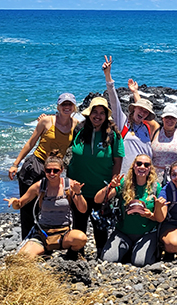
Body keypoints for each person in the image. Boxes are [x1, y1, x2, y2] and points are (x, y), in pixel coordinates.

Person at [8, 93, 80, 239]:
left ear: (74, 107)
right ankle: (27, 242)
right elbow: (30, 143)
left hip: (54, 171)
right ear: (58, 106)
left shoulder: (76, 125)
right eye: (63, 104)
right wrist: (15, 164)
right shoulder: (47, 121)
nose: (67, 107)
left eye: (70, 104)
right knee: (28, 208)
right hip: (35, 166)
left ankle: (46, 240)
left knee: (47, 207)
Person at [67, 96, 124, 255]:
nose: (97, 116)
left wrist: (112, 184)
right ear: (88, 113)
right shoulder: (78, 130)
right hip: (79, 188)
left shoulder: (113, 135)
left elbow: (118, 160)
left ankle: (101, 252)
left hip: (101, 188)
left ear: (106, 116)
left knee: (100, 225)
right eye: (95, 112)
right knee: (79, 222)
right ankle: (78, 252)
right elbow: (61, 130)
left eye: (102, 113)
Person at [6, 150, 87, 258]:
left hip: (63, 234)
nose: (52, 173)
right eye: (48, 170)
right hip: (43, 234)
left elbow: (83, 209)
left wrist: (78, 193)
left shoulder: (69, 185)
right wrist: (15, 202)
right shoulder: (39, 186)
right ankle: (45, 251)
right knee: (23, 257)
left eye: (55, 170)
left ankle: (71, 256)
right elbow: (20, 204)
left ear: (61, 170)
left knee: (81, 238)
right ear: (44, 171)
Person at [95, 154, 164, 266]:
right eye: (139, 164)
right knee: (107, 259)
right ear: (134, 166)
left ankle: (147, 250)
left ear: (150, 169)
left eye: (146, 165)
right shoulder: (124, 184)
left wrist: (149, 215)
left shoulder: (156, 187)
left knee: (140, 262)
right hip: (123, 232)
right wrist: (111, 187)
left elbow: (160, 218)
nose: (142, 167)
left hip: (146, 233)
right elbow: (98, 199)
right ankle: (130, 250)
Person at [102, 55, 160, 175]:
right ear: (134, 109)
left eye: (146, 112)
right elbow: (114, 100)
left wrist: (135, 92)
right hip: (125, 175)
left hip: (145, 175)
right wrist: (108, 75)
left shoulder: (147, 127)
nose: (142, 113)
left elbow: (142, 107)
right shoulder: (123, 122)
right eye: (140, 109)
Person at [151, 104, 177, 183]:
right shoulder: (156, 129)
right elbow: (144, 112)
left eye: (173, 118)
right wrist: (135, 93)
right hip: (155, 178)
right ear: (162, 118)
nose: (170, 120)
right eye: (167, 117)